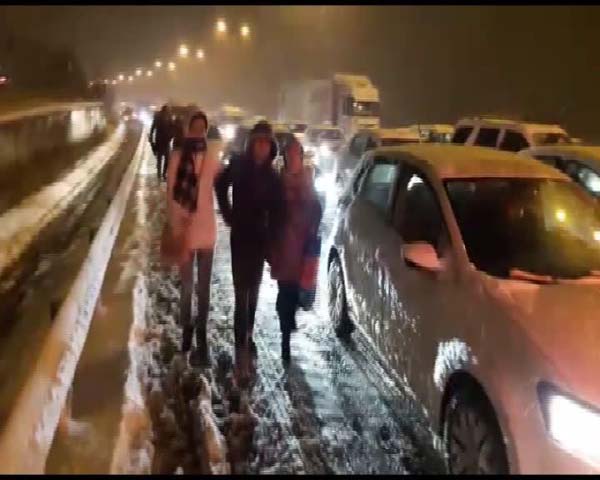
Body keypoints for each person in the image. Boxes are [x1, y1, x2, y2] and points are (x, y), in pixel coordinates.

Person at [215, 121, 285, 382]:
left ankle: (248, 334)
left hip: (260, 239)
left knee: (253, 291)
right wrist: (228, 212)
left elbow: (280, 211)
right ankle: (239, 339)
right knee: (240, 290)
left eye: (266, 144)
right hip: (240, 235)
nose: (262, 148)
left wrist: (274, 238)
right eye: (258, 143)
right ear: (251, 144)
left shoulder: (273, 177)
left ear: (271, 147)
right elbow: (220, 184)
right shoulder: (239, 165)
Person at [166, 111, 221, 366]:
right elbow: (171, 195)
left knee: (203, 289)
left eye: (202, 127)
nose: (198, 131)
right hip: (185, 231)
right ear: (189, 128)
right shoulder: (177, 157)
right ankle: (187, 332)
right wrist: (178, 226)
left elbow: (221, 184)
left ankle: (202, 336)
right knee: (187, 288)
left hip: (207, 230)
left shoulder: (212, 157)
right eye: (195, 126)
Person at [269, 137, 322, 364]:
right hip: (283, 245)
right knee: (285, 290)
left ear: (301, 157)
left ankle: (288, 321)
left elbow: (316, 207)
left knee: (295, 289)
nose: (293, 160)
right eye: (289, 156)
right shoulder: (278, 182)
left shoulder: (309, 179)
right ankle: (285, 339)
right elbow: (272, 213)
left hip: (301, 245)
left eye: (296, 155)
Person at [149, 104, 174, 181]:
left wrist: (171, 135)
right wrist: (151, 135)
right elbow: (153, 127)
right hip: (161, 140)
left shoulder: (168, 117)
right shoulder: (159, 117)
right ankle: (161, 174)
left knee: (165, 158)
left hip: (164, 140)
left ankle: (162, 174)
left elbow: (172, 127)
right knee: (162, 158)